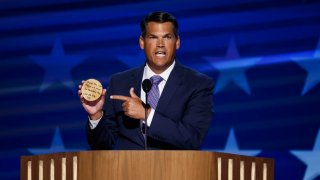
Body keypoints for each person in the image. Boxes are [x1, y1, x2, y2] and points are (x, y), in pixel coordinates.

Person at [78, 11, 214, 150]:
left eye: (167, 37)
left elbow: (192, 139)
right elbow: (102, 146)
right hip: (126, 170)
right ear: (142, 42)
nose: (160, 44)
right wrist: (96, 115)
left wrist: (147, 114)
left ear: (177, 42)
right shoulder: (119, 82)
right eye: (153, 37)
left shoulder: (198, 84)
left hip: (174, 170)